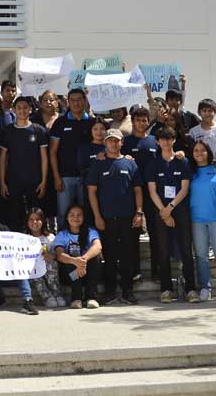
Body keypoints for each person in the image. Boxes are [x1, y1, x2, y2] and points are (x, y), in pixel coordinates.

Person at [86, 128, 143, 305]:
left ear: (121, 142)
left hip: (128, 217)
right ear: (105, 143)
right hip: (106, 218)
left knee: (128, 255)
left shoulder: (130, 163)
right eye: (110, 140)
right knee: (109, 256)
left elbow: (138, 189)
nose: (113, 143)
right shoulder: (98, 163)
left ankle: (127, 291)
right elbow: (91, 191)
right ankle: (110, 292)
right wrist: (97, 216)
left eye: (116, 140)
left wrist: (139, 212)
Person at [146, 126, 197, 304]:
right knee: (163, 250)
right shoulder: (153, 164)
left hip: (180, 210)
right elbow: (152, 191)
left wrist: (171, 207)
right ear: (158, 142)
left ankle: (191, 289)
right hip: (160, 211)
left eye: (169, 139)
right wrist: (164, 212)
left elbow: (184, 188)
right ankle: (166, 289)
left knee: (185, 249)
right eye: (162, 139)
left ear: (174, 140)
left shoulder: (182, 161)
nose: (166, 142)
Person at [189, 140, 216, 302]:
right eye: (195, 151)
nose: (199, 153)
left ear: (208, 152)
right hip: (197, 220)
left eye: (202, 150)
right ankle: (205, 289)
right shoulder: (190, 171)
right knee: (201, 256)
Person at [0, 96, 48, 232]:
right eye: (18, 108)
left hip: (34, 181)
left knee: (35, 214)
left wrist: (44, 181)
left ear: (31, 110)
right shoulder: (7, 131)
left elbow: (44, 158)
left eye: (25, 107)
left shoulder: (39, 130)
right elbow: (3, 158)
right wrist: (2, 182)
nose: (22, 111)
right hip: (13, 180)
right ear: (14, 110)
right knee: (14, 215)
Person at [122, 106, 160, 281]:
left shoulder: (154, 141)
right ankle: (134, 270)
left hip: (153, 192)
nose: (141, 123)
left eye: (145, 120)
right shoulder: (126, 142)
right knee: (132, 233)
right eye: (138, 120)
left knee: (155, 231)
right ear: (133, 121)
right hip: (131, 192)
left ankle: (157, 270)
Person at [49, 88, 94, 228]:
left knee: (86, 212)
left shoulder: (93, 122)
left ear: (85, 100)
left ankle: (85, 242)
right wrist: (56, 177)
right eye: (72, 100)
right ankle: (62, 245)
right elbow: (52, 152)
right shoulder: (60, 123)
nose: (76, 103)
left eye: (79, 100)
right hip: (65, 176)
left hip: (88, 177)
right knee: (63, 214)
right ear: (68, 102)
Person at [53, 204, 102, 309]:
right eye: (72, 215)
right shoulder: (62, 234)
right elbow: (59, 255)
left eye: (79, 215)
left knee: (95, 257)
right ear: (67, 217)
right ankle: (76, 298)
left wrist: (82, 261)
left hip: (89, 272)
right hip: (71, 276)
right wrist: (75, 261)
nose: (75, 218)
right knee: (69, 260)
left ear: (84, 217)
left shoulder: (90, 231)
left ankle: (91, 297)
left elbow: (98, 246)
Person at [26, 208, 64, 308]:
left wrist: (52, 256)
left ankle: (57, 293)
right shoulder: (23, 238)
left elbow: (57, 255)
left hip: (48, 269)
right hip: (32, 272)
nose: (34, 222)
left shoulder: (50, 237)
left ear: (43, 220)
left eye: (37, 219)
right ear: (27, 221)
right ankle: (46, 296)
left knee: (52, 263)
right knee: (33, 268)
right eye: (31, 219)